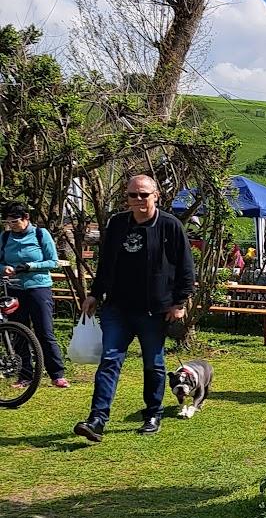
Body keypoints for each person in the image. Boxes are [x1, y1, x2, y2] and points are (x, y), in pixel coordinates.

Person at [74, 174, 194, 443]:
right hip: (117, 308)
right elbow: (106, 263)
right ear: (126, 197)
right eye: (132, 195)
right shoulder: (117, 224)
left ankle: (153, 413)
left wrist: (180, 302)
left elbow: (186, 267)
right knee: (109, 361)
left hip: (154, 310)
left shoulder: (169, 225)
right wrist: (94, 294)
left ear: (156, 196)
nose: (138, 200)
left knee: (153, 363)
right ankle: (97, 420)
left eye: (144, 195)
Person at [0, 202, 69, 389]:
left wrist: (31, 266)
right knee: (19, 331)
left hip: (38, 288)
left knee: (44, 331)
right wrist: (3, 269)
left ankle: (57, 374)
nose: (12, 225)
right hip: (14, 289)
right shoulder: (5, 237)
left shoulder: (41, 234)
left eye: (15, 221)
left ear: (26, 218)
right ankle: (25, 376)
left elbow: (53, 261)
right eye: (8, 221)